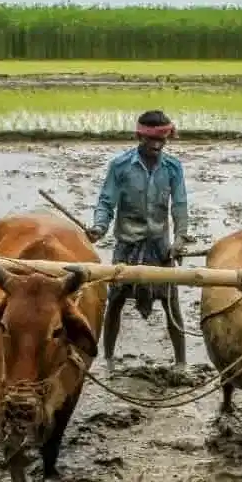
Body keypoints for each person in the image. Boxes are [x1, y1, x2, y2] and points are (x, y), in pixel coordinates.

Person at [86, 109, 193, 366]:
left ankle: (181, 363)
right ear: (139, 137)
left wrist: (180, 238)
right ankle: (109, 359)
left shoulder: (173, 168)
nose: (157, 145)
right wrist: (99, 227)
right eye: (151, 140)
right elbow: (106, 201)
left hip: (160, 247)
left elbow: (179, 205)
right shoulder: (120, 166)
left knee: (172, 305)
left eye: (162, 139)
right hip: (128, 244)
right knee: (115, 303)